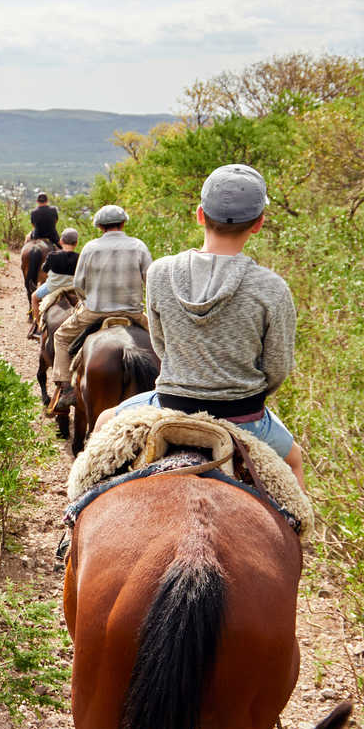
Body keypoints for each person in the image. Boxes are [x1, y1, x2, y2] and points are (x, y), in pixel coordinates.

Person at [95, 164, 305, 490]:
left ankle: (73, 527)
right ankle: (299, 540)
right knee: (294, 459)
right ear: (259, 224)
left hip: (169, 408)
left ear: (199, 214)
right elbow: (278, 368)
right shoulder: (272, 288)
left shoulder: (160, 273)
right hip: (244, 417)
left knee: (104, 421)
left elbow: (161, 345)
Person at [49, 205, 152, 411]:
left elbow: (78, 284)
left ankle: (66, 388)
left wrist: (87, 300)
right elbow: (150, 280)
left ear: (99, 227)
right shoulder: (139, 246)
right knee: (166, 341)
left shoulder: (90, 248)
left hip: (95, 311)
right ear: (123, 223)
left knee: (60, 337)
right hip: (132, 312)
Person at [30, 228, 79, 330]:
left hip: (52, 288)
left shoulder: (52, 256)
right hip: (73, 289)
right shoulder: (79, 257)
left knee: (34, 297)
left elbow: (45, 269)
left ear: (61, 241)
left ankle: (39, 325)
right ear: (76, 243)